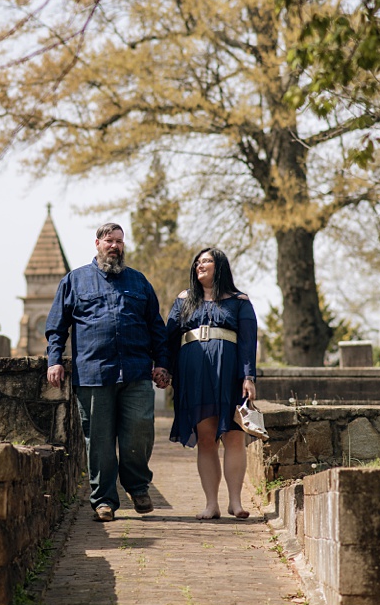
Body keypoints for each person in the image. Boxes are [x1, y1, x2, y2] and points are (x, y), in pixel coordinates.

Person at [45, 222, 171, 522]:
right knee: (99, 440)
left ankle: (137, 487)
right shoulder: (75, 281)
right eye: (109, 240)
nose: (114, 246)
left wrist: (162, 363)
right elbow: (56, 326)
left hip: (136, 373)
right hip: (93, 373)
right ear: (97, 243)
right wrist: (55, 360)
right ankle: (103, 500)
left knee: (139, 434)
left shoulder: (139, 282)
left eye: (119, 241)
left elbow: (156, 328)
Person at [166, 247, 257, 520]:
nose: (200, 266)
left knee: (233, 436)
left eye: (206, 261)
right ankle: (211, 504)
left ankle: (235, 502)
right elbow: (169, 339)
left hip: (230, 375)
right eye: (197, 262)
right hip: (194, 375)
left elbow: (248, 343)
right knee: (206, 439)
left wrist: (248, 377)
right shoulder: (183, 300)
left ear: (220, 266)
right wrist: (164, 370)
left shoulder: (239, 301)